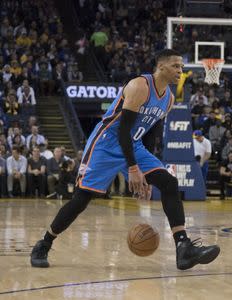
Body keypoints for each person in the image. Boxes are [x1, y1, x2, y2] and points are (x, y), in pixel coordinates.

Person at [30, 50, 220, 270]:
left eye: (181, 67)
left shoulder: (168, 98)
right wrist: (133, 168)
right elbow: (123, 131)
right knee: (81, 199)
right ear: (161, 67)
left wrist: (146, 174)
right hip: (106, 144)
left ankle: (183, 248)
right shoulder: (139, 86)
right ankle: (43, 244)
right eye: (176, 66)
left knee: (168, 183)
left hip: (135, 144)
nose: (181, 71)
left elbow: (149, 133)